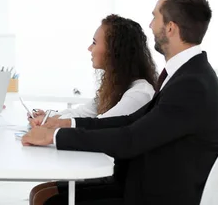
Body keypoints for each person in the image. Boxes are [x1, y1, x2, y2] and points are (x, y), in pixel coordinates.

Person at [23, 0, 218, 205]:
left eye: (155, 17)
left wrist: (54, 136)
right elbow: (130, 122)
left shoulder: (191, 84)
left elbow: (131, 139)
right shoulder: (187, 75)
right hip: (139, 184)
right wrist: (64, 125)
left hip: (156, 196)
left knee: (51, 201)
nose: (150, 25)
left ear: (170, 28)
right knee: (46, 195)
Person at [27, 14, 158, 205]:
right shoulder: (117, 86)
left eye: (95, 43)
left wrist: (51, 131)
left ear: (115, 50)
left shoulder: (139, 93)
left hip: (126, 181)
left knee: (47, 199)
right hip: (113, 172)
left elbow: (100, 126)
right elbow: (82, 113)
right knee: (40, 192)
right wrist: (48, 118)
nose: (90, 48)